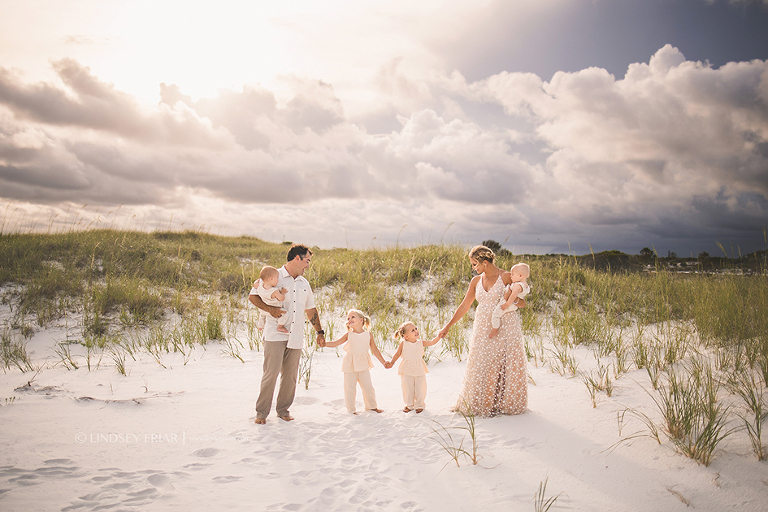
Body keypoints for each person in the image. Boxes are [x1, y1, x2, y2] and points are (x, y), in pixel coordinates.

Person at [438, 245, 528, 417]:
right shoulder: (476, 281)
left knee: (501, 364)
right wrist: (448, 326)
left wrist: (509, 303)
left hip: (505, 325)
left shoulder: (507, 277)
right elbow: (465, 306)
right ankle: (485, 403)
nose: (474, 268)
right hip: (482, 327)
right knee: (483, 363)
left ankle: (500, 404)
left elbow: (522, 303)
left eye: (474, 264)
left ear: (484, 262)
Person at [249, 244, 326, 424]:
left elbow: (311, 309)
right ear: (297, 258)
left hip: (296, 335)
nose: (308, 265)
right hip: (275, 333)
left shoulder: (304, 283)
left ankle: (283, 409)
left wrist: (320, 332)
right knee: (271, 373)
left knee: (290, 376)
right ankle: (261, 413)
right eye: (307, 260)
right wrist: (270, 309)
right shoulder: (272, 275)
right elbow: (253, 296)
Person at [325, 309, 388, 414]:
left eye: (352, 317)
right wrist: (324, 344)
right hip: (350, 365)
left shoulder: (368, 335)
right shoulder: (349, 335)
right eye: (348, 318)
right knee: (350, 388)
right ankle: (351, 409)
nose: (349, 320)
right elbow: (335, 343)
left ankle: (371, 407)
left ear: (361, 320)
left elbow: (375, 350)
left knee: (368, 387)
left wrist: (383, 362)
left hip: (363, 365)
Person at [389, 321, 441, 413]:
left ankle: (420, 404)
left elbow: (432, 342)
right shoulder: (403, 344)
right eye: (413, 330)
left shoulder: (421, 343)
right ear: (406, 336)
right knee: (407, 388)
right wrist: (392, 362)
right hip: (407, 368)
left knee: (420, 387)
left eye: (416, 328)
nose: (416, 331)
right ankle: (409, 405)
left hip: (419, 368)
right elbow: (397, 354)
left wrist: (439, 336)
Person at [489, 262, 530, 339]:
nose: (510, 276)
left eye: (513, 274)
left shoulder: (517, 286)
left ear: (520, 275)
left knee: (495, 314)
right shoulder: (525, 285)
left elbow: (513, 296)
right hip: (513, 304)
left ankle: (494, 330)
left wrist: (506, 304)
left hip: (509, 303)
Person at [254, 265, 289, 333]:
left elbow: (255, 285)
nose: (278, 280)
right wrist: (283, 293)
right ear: (271, 279)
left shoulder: (260, 286)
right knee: (285, 314)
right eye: (277, 278)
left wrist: (256, 282)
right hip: (274, 309)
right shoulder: (274, 291)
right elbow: (281, 298)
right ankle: (280, 326)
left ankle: (260, 326)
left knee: (262, 315)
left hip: (263, 309)